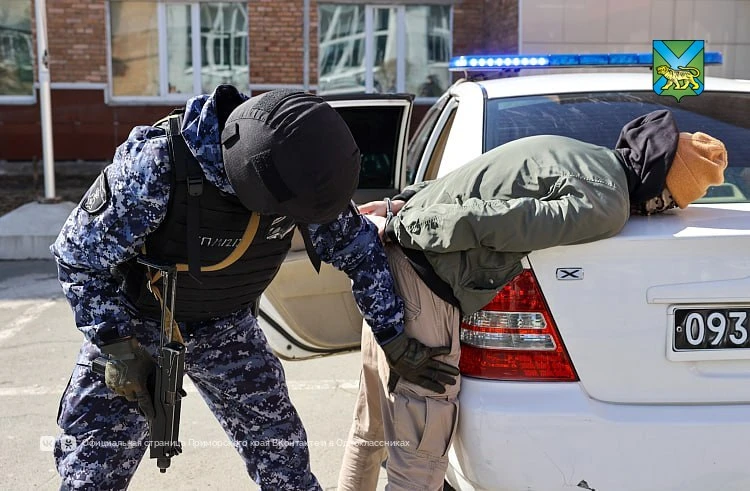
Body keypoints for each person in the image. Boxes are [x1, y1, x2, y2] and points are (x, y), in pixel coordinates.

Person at [51, 85, 457, 490]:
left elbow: (358, 247)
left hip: (226, 326)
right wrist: (117, 346)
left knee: (286, 467)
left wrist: (393, 336)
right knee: (91, 474)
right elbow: (77, 256)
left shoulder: (298, 165)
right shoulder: (158, 166)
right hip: (136, 326)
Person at [337, 109, 728, 491]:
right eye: (670, 202)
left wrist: (400, 206)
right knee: (418, 464)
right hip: (424, 285)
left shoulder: (575, 151)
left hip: (387, 277)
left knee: (370, 433)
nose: (661, 211)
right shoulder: (609, 204)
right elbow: (506, 221)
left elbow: (475, 178)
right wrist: (406, 225)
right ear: (660, 187)